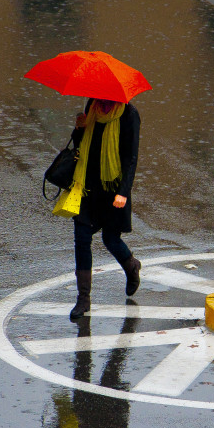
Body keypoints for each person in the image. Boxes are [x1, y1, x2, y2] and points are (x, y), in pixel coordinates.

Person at [52, 97, 141, 321]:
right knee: (81, 239)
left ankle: (131, 266)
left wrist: (123, 192)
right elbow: (80, 145)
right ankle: (83, 299)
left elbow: (130, 158)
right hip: (87, 186)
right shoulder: (92, 106)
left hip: (113, 188)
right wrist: (79, 129)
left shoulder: (129, 114)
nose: (101, 99)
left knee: (110, 239)